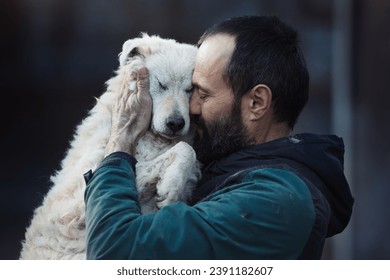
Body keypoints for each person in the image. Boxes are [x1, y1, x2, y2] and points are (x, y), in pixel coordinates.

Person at [84, 15, 354, 259]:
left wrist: (121, 143)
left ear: (257, 103)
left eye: (201, 93)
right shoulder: (232, 169)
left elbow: (114, 253)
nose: (191, 108)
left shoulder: (276, 200)